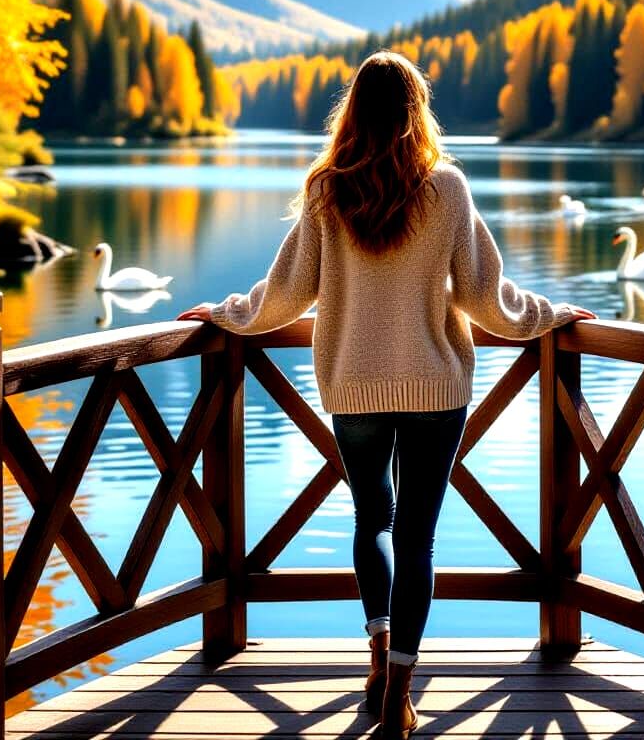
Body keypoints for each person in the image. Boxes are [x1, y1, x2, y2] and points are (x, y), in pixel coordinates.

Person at [178, 51, 595, 738]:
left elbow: (284, 295)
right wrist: (549, 317)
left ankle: (376, 652)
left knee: (371, 519)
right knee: (418, 537)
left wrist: (225, 315)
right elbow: (486, 299)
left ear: (353, 113)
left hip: (353, 385)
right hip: (435, 387)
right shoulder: (448, 189)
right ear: (416, 109)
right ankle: (399, 689)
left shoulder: (324, 191)